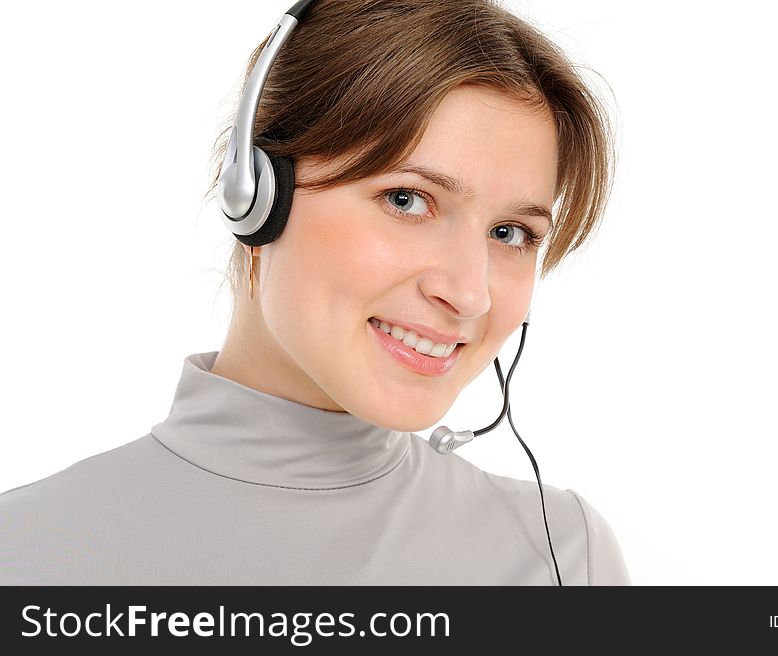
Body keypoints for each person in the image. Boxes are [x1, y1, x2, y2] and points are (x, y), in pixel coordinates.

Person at [0, 0, 630, 585]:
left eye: (511, 233)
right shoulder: (26, 553)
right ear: (254, 194)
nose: (469, 293)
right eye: (407, 200)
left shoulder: (560, 556)